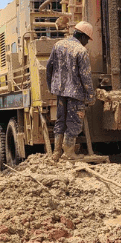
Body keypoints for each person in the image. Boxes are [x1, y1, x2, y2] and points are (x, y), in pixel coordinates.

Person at [46, 20, 95, 161]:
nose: (87, 42)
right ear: (83, 36)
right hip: (75, 93)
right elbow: (85, 76)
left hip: (60, 92)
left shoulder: (58, 45)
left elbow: (49, 67)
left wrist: (51, 86)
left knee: (60, 121)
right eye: (87, 39)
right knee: (74, 122)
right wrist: (91, 96)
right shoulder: (81, 50)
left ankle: (56, 153)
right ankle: (68, 153)